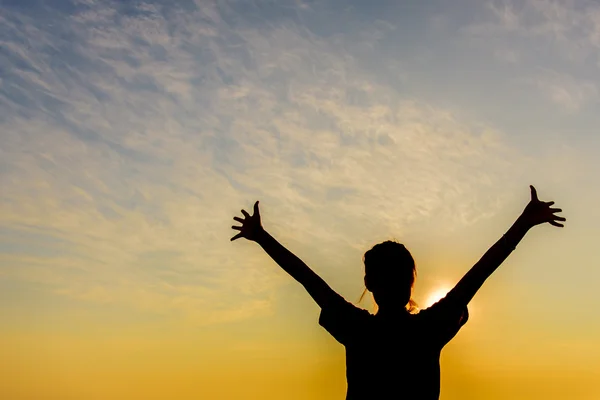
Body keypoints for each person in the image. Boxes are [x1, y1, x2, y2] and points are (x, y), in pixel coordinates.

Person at [230, 185, 565, 399]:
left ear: (369, 284)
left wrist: (262, 237)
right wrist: (522, 223)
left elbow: (308, 279)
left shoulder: (359, 329)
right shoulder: (427, 330)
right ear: (411, 284)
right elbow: (479, 273)